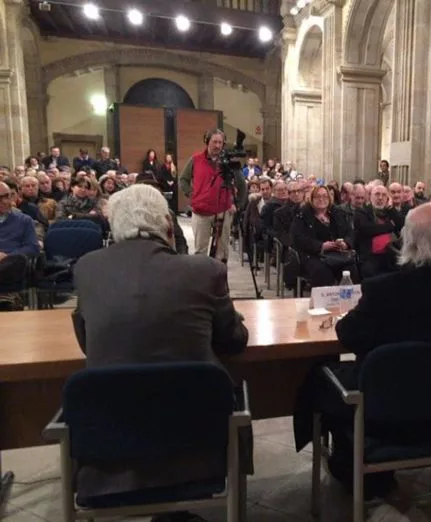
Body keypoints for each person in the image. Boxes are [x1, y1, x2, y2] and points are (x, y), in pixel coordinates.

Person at [293, 202, 431, 498]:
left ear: (407, 240)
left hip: (382, 412)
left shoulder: (384, 289)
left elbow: (348, 335)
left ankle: (349, 461)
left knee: (321, 376)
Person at [72, 185, 248, 521]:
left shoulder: (87, 268)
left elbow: (87, 342)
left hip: (110, 442)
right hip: (196, 443)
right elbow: (234, 341)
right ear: (168, 225)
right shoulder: (205, 270)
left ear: (114, 226)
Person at [179, 129, 247, 263]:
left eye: (220, 142)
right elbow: (183, 180)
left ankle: (220, 276)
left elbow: (242, 185)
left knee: (222, 253)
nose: (217, 145)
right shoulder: (195, 160)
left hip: (223, 211)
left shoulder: (228, 162)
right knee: (200, 252)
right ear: (207, 141)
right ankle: (203, 276)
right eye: (214, 142)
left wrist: (238, 204)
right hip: (201, 212)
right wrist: (192, 194)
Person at [290, 185, 356, 287]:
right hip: (313, 255)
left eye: (325, 196)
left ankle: (348, 296)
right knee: (323, 272)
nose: (321, 199)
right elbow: (299, 239)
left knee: (351, 268)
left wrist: (345, 243)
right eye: (318, 196)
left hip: (337, 254)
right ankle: (326, 297)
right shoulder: (302, 215)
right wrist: (322, 246)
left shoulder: (337, 213)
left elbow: (349, 232)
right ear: (312, 199)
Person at [0, 181, 40, 303]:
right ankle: (5, 297)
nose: (4, 201)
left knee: (19, 260)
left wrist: (7, 256)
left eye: (7, 196)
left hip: (12, 264)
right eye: (0, 198)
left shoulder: (24, 220)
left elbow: (32, 247)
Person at [354, 185, 404, 278]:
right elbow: (367, 229)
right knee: (368, 270)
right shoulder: (362, 211)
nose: (380, 198)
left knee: (405, 268)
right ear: (370, 196)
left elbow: (401, 225)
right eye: (377, 194)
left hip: (392, 253)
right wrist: (390, 226)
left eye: (384, 195)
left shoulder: (390, 212)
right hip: (371, 255)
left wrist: (390, 208)